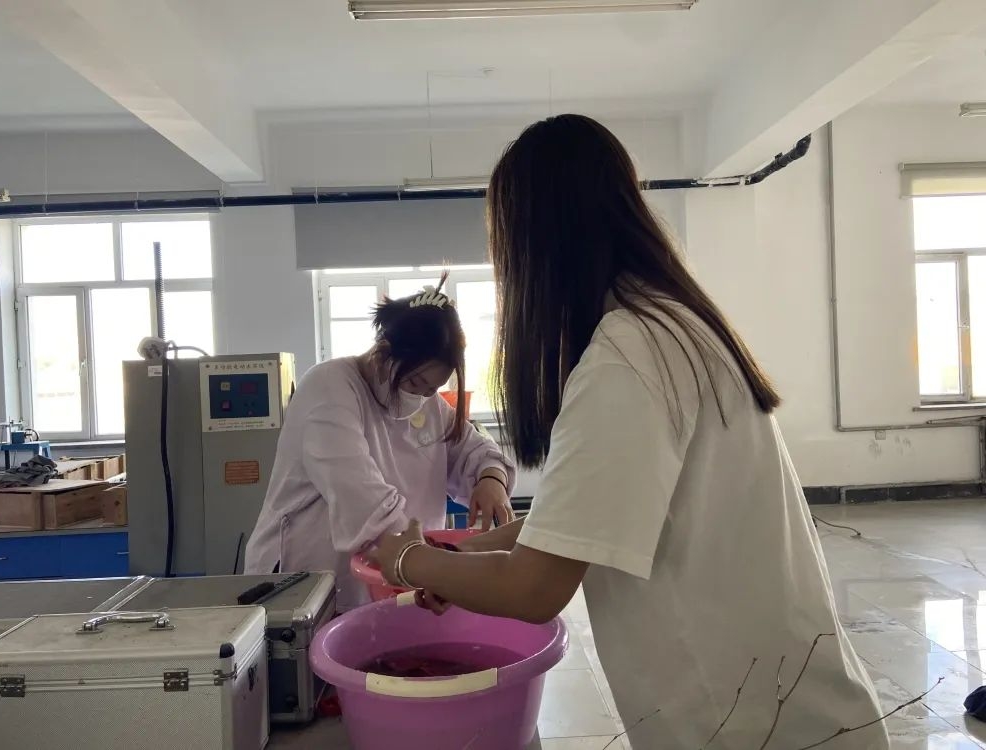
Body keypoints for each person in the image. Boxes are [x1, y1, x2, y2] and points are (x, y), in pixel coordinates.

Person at [375, 116, 890, 749]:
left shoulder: (627, 355)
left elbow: (534, 587)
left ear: (535, 246)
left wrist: (407, 560)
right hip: (788, 705)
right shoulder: (670, 322)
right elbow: (574, 524)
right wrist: (459, 558)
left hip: (756, 725)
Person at [245, 279, 516, 610]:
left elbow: (474, 450)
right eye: (415, 382)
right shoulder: (329, 387)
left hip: (395, 576)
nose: (421, 396)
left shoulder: (428, 404)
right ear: (382, 352)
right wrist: (430, 566)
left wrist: (491, 478)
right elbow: (360, 496)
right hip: (305, 581)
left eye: (432, 389)